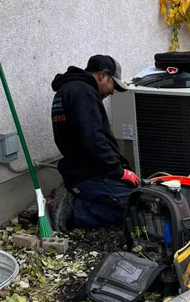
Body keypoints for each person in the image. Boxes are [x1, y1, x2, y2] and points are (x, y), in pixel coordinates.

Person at [51, 55, 140, 229]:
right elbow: (93, 139)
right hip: (90, 174)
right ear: (102, 75)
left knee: (137, 202)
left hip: (82, 171)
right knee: (138, 208)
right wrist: (119, 171)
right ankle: (74, 212)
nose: (112, 91)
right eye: (113, 84)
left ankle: (79, 199)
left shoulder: (69, 90)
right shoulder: (83, 92)